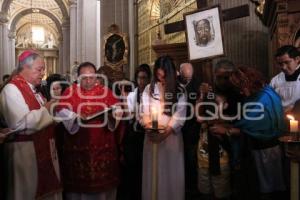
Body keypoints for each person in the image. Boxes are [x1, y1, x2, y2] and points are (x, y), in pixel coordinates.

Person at [211, 67, 286, 200]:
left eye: (240, 87)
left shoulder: (264, 97)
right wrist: (228, 122)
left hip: (266, 148)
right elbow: (246, 120)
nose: (240, 91)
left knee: (268, 188)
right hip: (256, 148)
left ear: (249, 82)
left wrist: (228, 129)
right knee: (258, 186)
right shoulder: (258, 93)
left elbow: (257, 126)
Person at [56, 62, 123, 200]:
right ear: (78, 78)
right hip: (78, 149)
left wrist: (112, 115)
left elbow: (118, 108)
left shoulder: (105, 91)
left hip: (103, 147)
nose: (88, 81)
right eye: (84, 78)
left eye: (91, 77)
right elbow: (60, 110)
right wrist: (75, 118)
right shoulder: (70, 91)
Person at [0, 50, 62, 200]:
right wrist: (47, 109)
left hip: (42, 148)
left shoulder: (36, 91)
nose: (42, 73)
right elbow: (21, 123)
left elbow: (42, 117)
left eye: (43, 70)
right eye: (39, 69)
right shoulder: (12, 89)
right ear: (24, 68)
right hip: (24, 153)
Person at [140, 56, 187, 200]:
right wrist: (149, 127)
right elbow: (144, 111)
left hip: (170, 138)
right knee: (152, 174)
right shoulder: (150, 88)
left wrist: (164, 133)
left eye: (164, 76)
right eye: (158, 75)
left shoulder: (180, 90)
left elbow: (179, 115)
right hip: (152, 137)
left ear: (171, 74)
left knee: (170, 174)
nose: (161, 79)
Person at [118, 64, 152, 200]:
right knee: (133, 168)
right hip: (134, 135)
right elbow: (129, 116)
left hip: (147, 134)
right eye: (139, 78)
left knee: (146, 168)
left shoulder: (152, 94)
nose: (141, 81)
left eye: (144, 78)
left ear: (149, 78)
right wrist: (125, 101)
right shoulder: (133, 95)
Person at [178, 63, 201, 199]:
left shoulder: (198, 85)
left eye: (189, 76)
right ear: (180, 73)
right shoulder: (176, 84)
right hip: (178, 128)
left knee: (192, 159)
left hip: (192, 128)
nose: (187, 78)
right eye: (184, 76)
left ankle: (193, 187)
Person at [270, 45, 300, 113]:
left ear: (297, 59)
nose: (283, 67)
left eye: (287, 62)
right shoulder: (275, 80)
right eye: (280, 64)